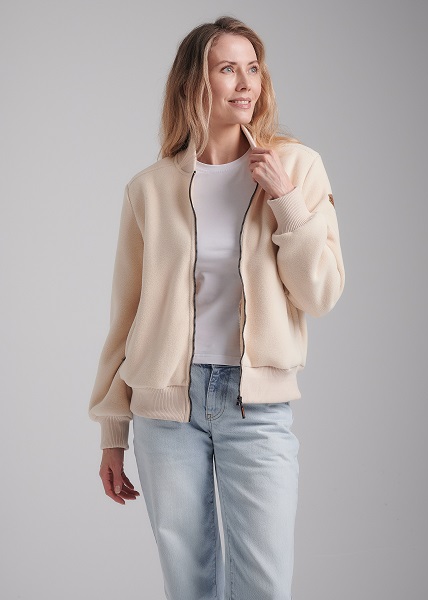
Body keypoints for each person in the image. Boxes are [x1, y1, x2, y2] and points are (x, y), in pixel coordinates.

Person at [88, 15, 345, 600]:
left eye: (253, 68)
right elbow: (126, 314)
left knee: (264, 585)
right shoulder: (149, 188)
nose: (246, 82)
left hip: (256, 407)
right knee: (190, 586)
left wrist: (285, 201)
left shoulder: (297, 167)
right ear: (194, 82)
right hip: (165, 410)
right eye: (228, 68)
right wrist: (112, 430)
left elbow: (322, 293)